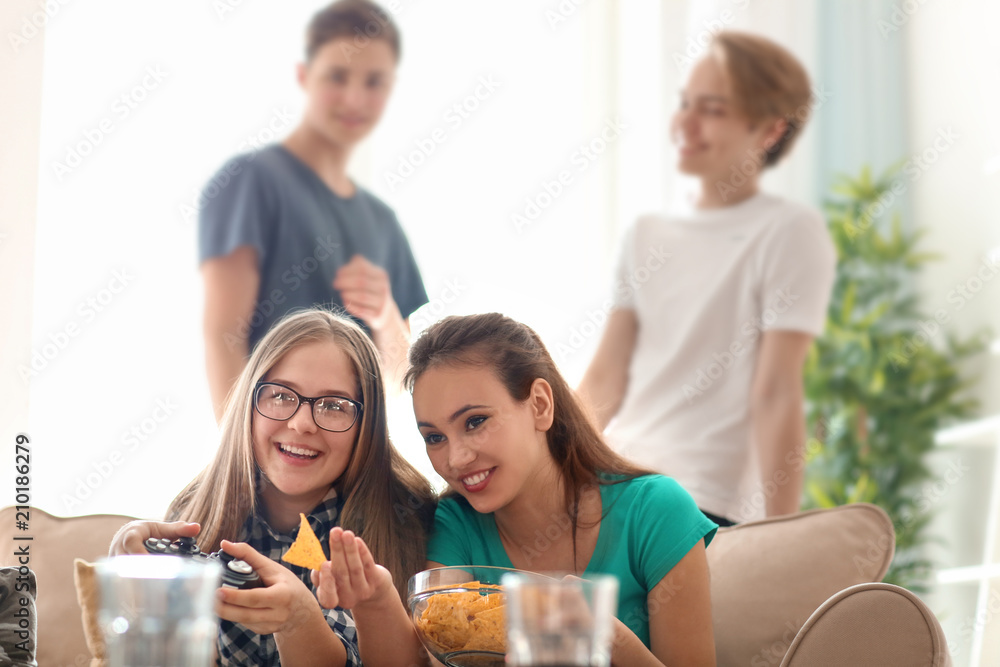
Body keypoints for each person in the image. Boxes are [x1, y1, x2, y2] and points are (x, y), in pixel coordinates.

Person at [579, 31, 836, 526]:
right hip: (614, 482)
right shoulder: (646, 233)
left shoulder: (789, 231)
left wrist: (780, 537)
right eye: (685, 104)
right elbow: (605, 377)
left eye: (713, 110)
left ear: (770, 131)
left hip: (703, 500)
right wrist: (552, 469)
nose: (686, 124)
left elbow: (778, 391)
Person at [110, 309, 435, 666]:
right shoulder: (194, 511)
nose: (301, 424)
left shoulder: (413, 521)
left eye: (333, 406)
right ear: (249, 404)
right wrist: (129, 584)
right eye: (280, 396)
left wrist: (297, 619)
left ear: (366, 425)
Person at [400, 313, 717, 666]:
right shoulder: (456, 524)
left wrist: (606, 637)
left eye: (475, 422)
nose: (455, 459)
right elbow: (440, 644)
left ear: (540, 405)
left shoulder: (657, 512)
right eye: (434, 438)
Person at [199, 0, 427, 420]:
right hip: (271, 454)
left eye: (374, 81)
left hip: (351, 463)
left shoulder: (383, 223)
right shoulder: (251, 183)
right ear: (304, 77)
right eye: (337, 76)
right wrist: (243, 465)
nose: (355, 98)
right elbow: (222, 338)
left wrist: (385, 315)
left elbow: (399, 379)